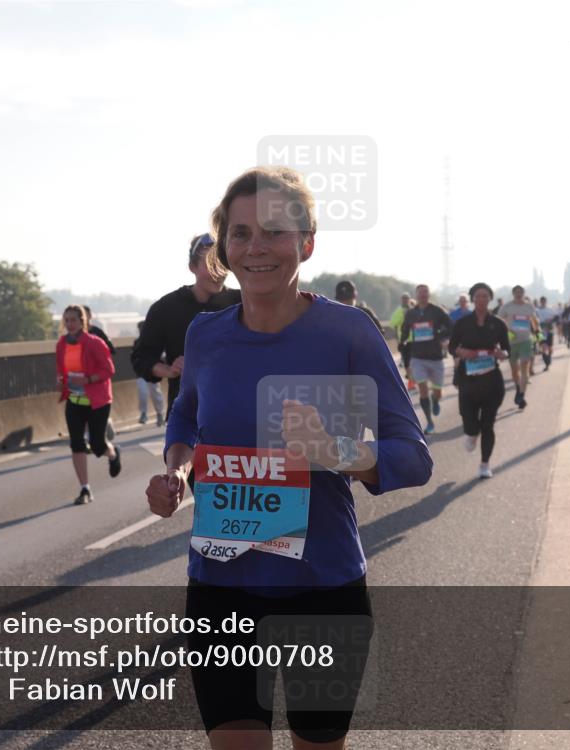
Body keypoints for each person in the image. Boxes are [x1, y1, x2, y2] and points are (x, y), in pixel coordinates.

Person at [145, 166, 432, 750]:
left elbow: (413, 456)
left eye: (275, 231)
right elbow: (185, 415)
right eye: (241, 232)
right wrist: (177, 468)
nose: (257, 248)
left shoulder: (348, 332)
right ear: (223, 246)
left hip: (322, 587)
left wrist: (336, 451)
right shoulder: (206, 335)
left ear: (307, 242)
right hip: (222, 584)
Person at [131, 233, 242, 421]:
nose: (218, 272)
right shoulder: (165, 308)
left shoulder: (244, 302)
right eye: (210, 264)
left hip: (237, 412)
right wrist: (169, 370)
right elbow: (141, 358)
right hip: (186, 417)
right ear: (192, 267)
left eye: (222, 264)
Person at [56, 305, 121, 505]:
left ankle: (112, 453)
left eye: (73, 320)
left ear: (82, 321)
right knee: (76, 444)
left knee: (97, 444)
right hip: (74, 401)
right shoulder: (61, 344)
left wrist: (88, 379)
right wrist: (61, 380)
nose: (69, 324)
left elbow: (109, 370)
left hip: (97, 401)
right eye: (66, 320)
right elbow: (61, 369)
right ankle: (85, 488)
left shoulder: (94, 342)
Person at [449, 282, 510, 479]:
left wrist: (502, 353)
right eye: (478, 296)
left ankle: (484, 464)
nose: (481, 299)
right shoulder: (462, 324)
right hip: (468, 380)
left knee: (488, 424)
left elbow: (507, 349)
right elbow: (451, 347)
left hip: (492, 381)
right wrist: (461, 351)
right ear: (473, 299)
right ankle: (471, 433)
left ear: (490, 299)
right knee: (468, 420)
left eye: (485, 296)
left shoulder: (498, 324)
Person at [400, 284, 452, 434]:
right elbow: (404, 331)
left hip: (436, 357)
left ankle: (435, 400)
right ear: (416, 295)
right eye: (420, 292)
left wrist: (443, 337)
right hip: (418, 357)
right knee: (422, 389)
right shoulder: (410, 314)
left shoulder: (437, 311)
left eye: (426, 292)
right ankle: (429, 422)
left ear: (429, 295)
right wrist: (403, 344)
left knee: (437, 392)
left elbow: (450, 326)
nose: (423, 295)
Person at [497, 285, 537, 409]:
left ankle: (521, 394)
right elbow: (498, 322)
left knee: (525, 365)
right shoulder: (507, 307)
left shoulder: (529, 306)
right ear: (513, 294)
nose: (519, 294)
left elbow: (533, 321)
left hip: (526, 340)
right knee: (515, 371)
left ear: (524, 293)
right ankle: (518, 387)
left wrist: (537, 334)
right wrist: (507, 333)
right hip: (511, 342)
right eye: (516, 292)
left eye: (521, 292)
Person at [83, 305, 118, 441]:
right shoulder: (72, 337)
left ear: (89, 317)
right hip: (82, 379)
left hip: (98, 378)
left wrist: (98, 354)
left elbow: (111, 349)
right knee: (83, 406)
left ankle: (106, 423)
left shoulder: (96, 332)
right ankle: (87, 436)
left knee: (97, 406)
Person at [133, 321, 164, 426]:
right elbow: (135, 357)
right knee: (143, 392)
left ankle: (159, 413)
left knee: (155, 393)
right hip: (141, 373)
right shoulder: (137, 342)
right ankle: (143, 413)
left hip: (153, 372)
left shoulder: (155, 341)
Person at [389, 292, 416, 390]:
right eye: (403, 299)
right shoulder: (399, 311)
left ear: (409, 299)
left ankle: (414, 380)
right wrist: (402, 319)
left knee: (415, 361)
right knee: (407, 362)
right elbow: (392, 323)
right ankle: (411, 382)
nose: (405, 300)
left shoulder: (414, 310)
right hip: (405, 341)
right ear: (401, 300)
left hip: (416, 340)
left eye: (406, 298)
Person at [535, 296, 557, 371]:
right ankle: (547, 363)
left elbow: (556, 317)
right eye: (542, 301)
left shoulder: (550, 309)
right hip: (540, 330)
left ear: (546, 301)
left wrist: (550, 319)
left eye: (544, 301)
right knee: (543, 347)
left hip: (549, 329)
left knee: (550, 347)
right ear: (540, 302)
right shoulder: (536, 310)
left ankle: (549, 358)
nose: (543, 303)